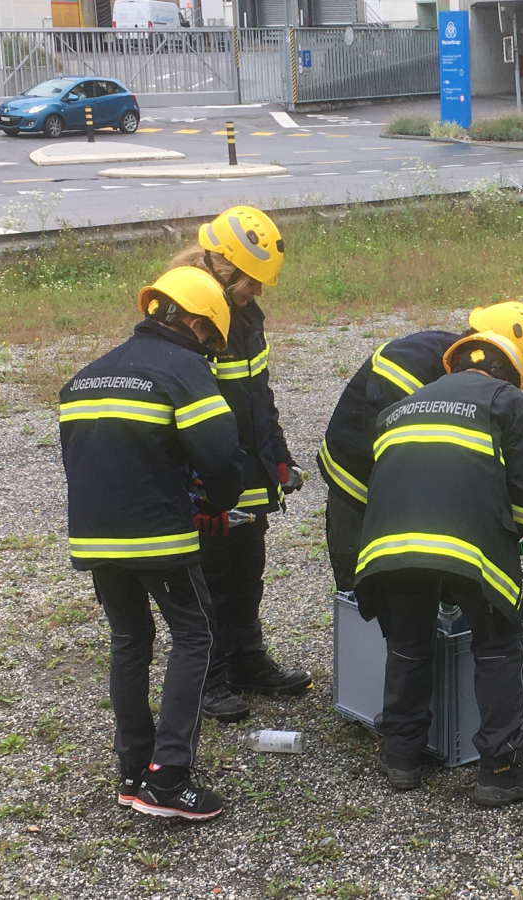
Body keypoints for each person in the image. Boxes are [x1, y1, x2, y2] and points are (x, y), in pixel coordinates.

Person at [60, 266, 246, 821]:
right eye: (212, 337)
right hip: (156, 535)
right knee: (195, 635)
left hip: (93, 535)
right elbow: (219, 456)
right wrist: (216, 504)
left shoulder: (90, 373)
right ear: (193, 322)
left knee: (129, 638)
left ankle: (132, 769)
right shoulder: (184, 369)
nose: (212, 349)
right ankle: (168, 778)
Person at [353, 304, 523, 808]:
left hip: (385, 548)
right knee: (496, 644)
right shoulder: (505, 401)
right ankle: (502, 770)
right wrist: (512, 532)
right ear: (512, 369)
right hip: (468, 545)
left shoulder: (404, 405)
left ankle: (400, 755)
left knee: (408, 643)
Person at [167, 205, 311, 725]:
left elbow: (257, 393)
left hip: (246, 465)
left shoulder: (245, 316)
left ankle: (248, 660)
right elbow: (177, 410)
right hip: (206, 471)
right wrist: (195, 483)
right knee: (208, 577)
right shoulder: (189, 314)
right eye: (250, 284)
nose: (255, 293)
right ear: (222, 268)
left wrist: (277, 454)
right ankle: (210, 677)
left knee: (247, 569)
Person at [316, 303, 523, 601]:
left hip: (406, 479)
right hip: (356, 478)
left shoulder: (481, 389)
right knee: (366, 586)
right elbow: (403, 464)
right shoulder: (407, 365)